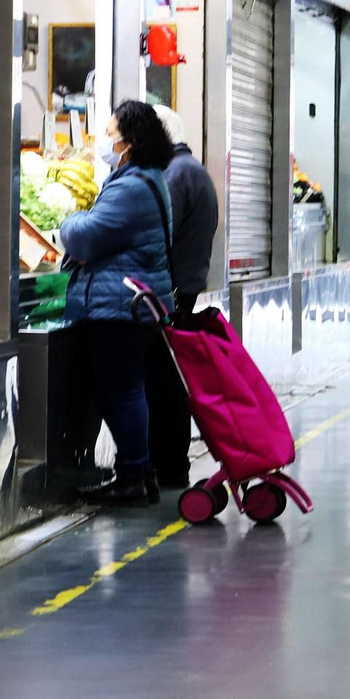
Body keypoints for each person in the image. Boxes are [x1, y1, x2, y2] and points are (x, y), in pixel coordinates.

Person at [59, 100, 176, 506]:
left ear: (130, 141)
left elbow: (85, 237)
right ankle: (137, 472)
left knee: (122, 392)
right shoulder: (146, 178)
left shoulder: (130, 187)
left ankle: (131, 474)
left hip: (120, 308)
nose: (104, 142)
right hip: (132, 303)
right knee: (125, 390)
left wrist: (69, 218)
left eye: (109, 135)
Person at [148, 105, 220, 488]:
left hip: (172, 288)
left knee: (163, 381)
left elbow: (157, 232)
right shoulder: (191, 169)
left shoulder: (175, 176)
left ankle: (168, 464)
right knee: (168, 378)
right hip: (184, 285)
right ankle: (169, 463)